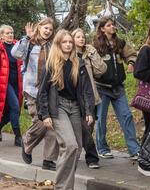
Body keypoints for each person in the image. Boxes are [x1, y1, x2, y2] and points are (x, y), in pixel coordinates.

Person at [37, 30, 96, 190]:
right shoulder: (51, 63)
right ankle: (62, 187)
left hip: (76, 107)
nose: (68, 44)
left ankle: (65, 186)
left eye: (70, 42)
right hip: (58, 107)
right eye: (65, 42)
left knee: (76, 149)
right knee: (69, 145)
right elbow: (42, 91)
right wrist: (45, 114)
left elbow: (87, 90)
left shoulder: (79, 63)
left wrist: (89, 111)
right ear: (58, 44)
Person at [13, 18, 59, 170]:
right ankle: (27, 141)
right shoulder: (30, 43)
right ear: (39, 28)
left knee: (51, 125)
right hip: (32, 90)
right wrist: (27, 37)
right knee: (40, 122)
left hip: (49, 90)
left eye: (50, 29)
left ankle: (49, 160)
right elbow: (16, 54)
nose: (47, 31)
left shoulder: (53, 46)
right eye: (45, 28)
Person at [93, 16, 140, 160]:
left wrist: (131, 62)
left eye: (113, 25)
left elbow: (131, 54)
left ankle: (134, 149)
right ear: (102, 29)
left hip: (118, 88)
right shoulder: (96, 45)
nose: (112, 27)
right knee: (100, 119)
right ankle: (102, 148)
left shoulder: (120, 43)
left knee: (126, 116)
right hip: (102, 88)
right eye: (109, 25)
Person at [73, 28, 106, 169]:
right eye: (78, 37)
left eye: (83, 37)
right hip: (74, 98)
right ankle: (92, 158)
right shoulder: (69, 55)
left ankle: (79, 153)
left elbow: (101, 70)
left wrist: (93, 54)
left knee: (88, 128)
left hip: (90, 96)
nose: (81, 39)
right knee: (84, 129)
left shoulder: (88, 54)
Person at [0, 25, 23, 146]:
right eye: (7, 33)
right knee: (15, 107)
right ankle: (18, 136)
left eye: (12, 33)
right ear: (2, 35)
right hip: (5, 83)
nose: (10, 35)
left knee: (13, 111)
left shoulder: (18, 46)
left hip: (17, 83)